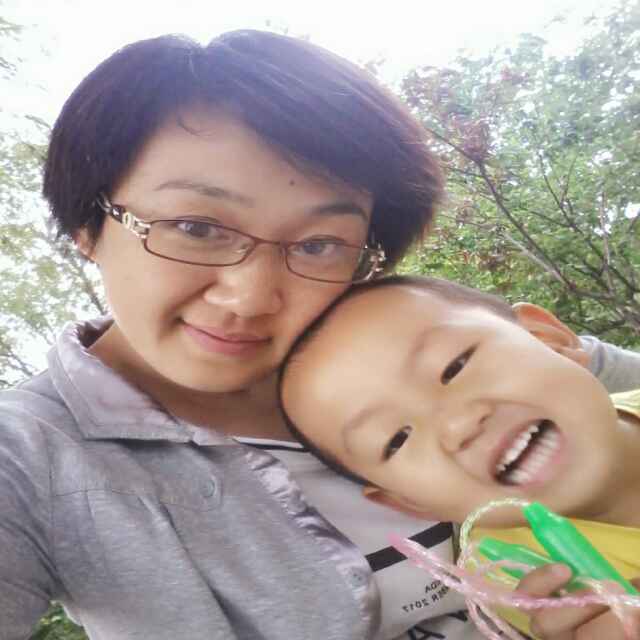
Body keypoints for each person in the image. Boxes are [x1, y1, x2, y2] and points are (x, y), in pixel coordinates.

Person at [0, 30, 490, 640]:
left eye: (318, 245)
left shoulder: (423, 340)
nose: (252, 297)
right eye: (196, 228)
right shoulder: (29, 454)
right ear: (88, 228)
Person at [278, 275, 640, 639]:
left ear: (548, 339)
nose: (457, 426)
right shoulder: (511, 573)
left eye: (454, 367)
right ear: (411, 502)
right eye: (395, 440)